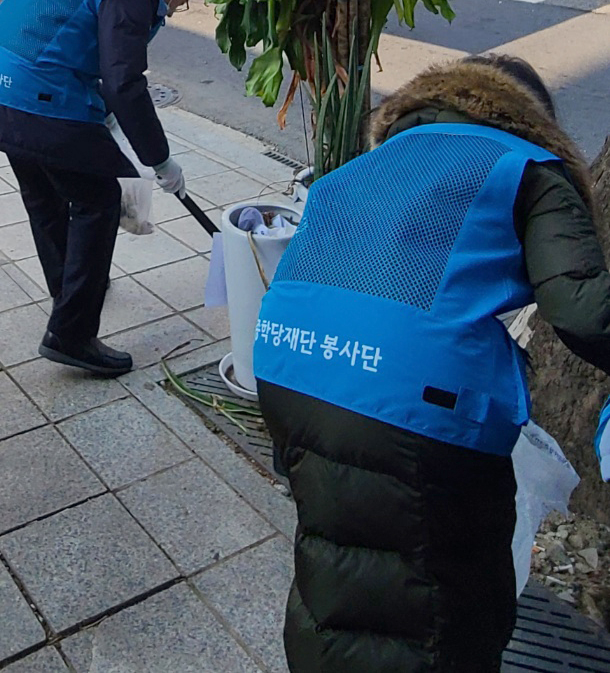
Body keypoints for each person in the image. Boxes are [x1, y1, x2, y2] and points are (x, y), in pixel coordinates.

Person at [254, 54, 610, 673]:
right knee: (446, 601)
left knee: (335, 555)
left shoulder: (368, 164)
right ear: (534, 121)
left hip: (290, 366)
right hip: (415, 406)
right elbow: (582, 310)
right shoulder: (525, 165)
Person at [0, 0, 205, 377]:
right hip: (34, 97)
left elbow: (77, 38)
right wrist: (162, 161)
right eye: (180, 1)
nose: (171, 13)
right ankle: (71, 334)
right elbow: (125, 80)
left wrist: (105, 115)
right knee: (100, 200)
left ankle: (70, 289)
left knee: (46, 194)